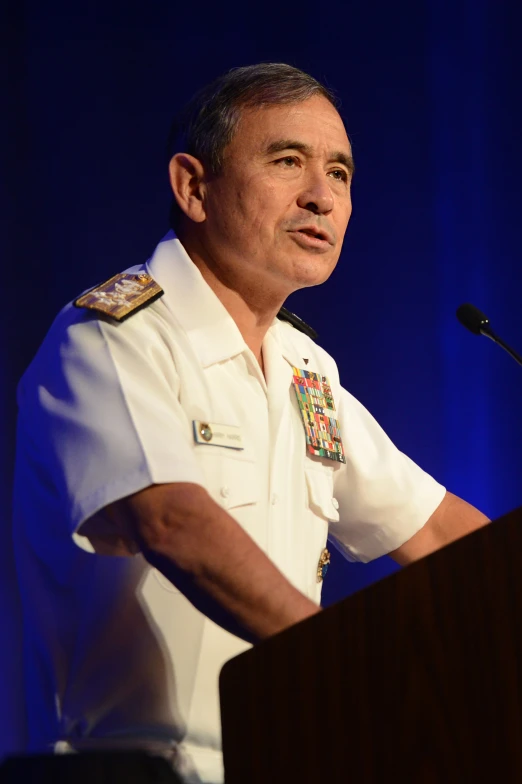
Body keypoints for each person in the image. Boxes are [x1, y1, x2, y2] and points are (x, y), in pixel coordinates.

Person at [13, 63, 489, 784]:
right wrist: (343, 669)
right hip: (124, 768)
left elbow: (436, 533)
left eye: (340, 172)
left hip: (279, 755)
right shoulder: (112, 336)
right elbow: (171, 520)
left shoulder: (304, 369)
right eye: (288, 161)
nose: (322, 197)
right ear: (193, 187)